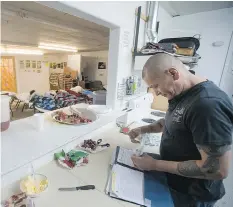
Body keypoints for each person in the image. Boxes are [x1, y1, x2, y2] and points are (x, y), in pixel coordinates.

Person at [128, 53, 233, 207]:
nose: (156, 92)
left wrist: (155, 165)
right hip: (175, 181)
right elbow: (174, 121)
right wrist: (142, 129)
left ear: (173, 73)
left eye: (156, 86)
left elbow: (216, 169)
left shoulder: (207, 105)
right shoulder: (182, 92)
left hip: (193, 195)